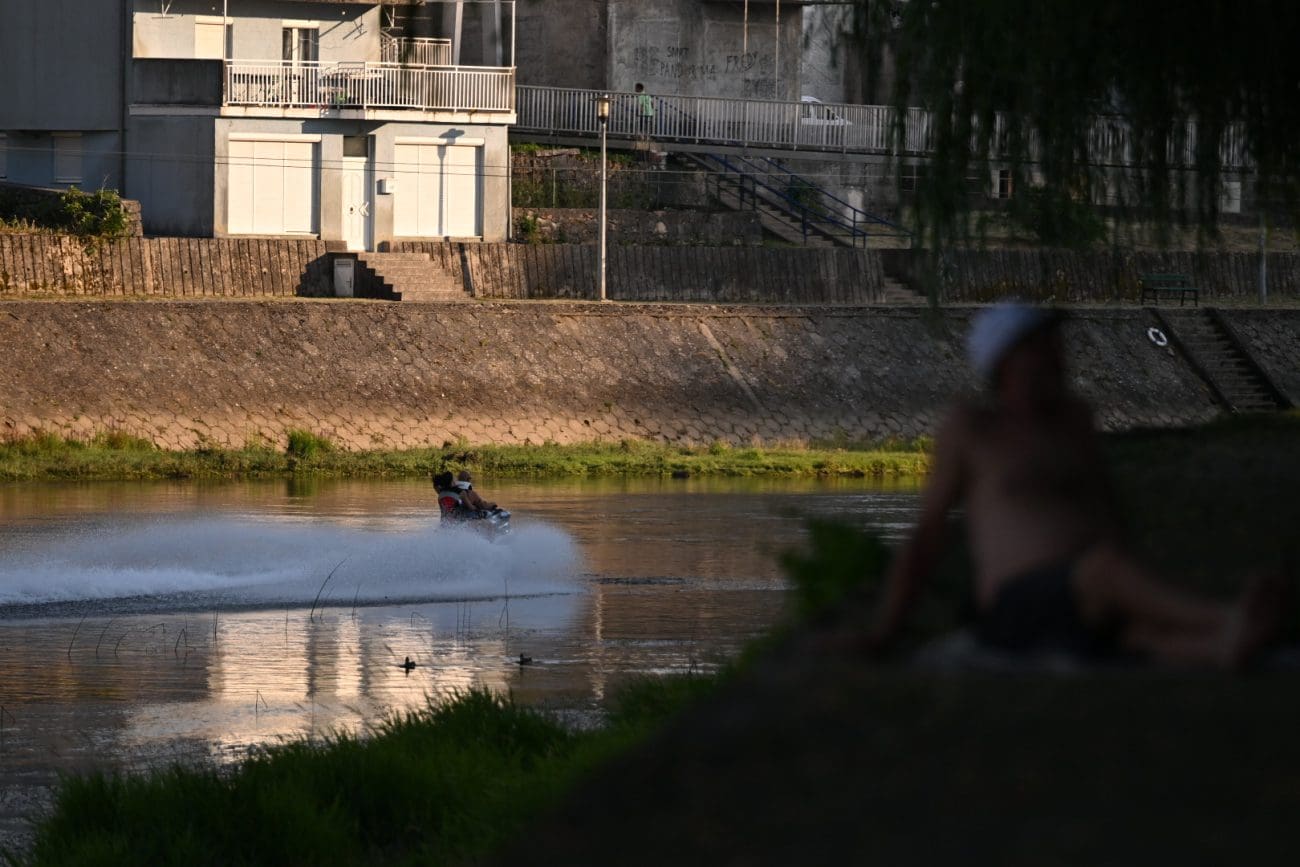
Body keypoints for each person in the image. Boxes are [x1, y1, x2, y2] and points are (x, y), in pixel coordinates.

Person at [863, 302, 1285, 668]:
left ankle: (1225, 645)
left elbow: (1106, 510)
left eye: (1055, 343)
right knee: (1104, 571)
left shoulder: (1074, 421)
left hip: (1083, 595)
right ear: (1006, 360)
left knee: (1135, 635)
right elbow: (928, 535)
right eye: (1041, 346)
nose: (1057, 354)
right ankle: (1226, 618)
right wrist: (885, 630)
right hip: (1017, 604)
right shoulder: (973, 429)